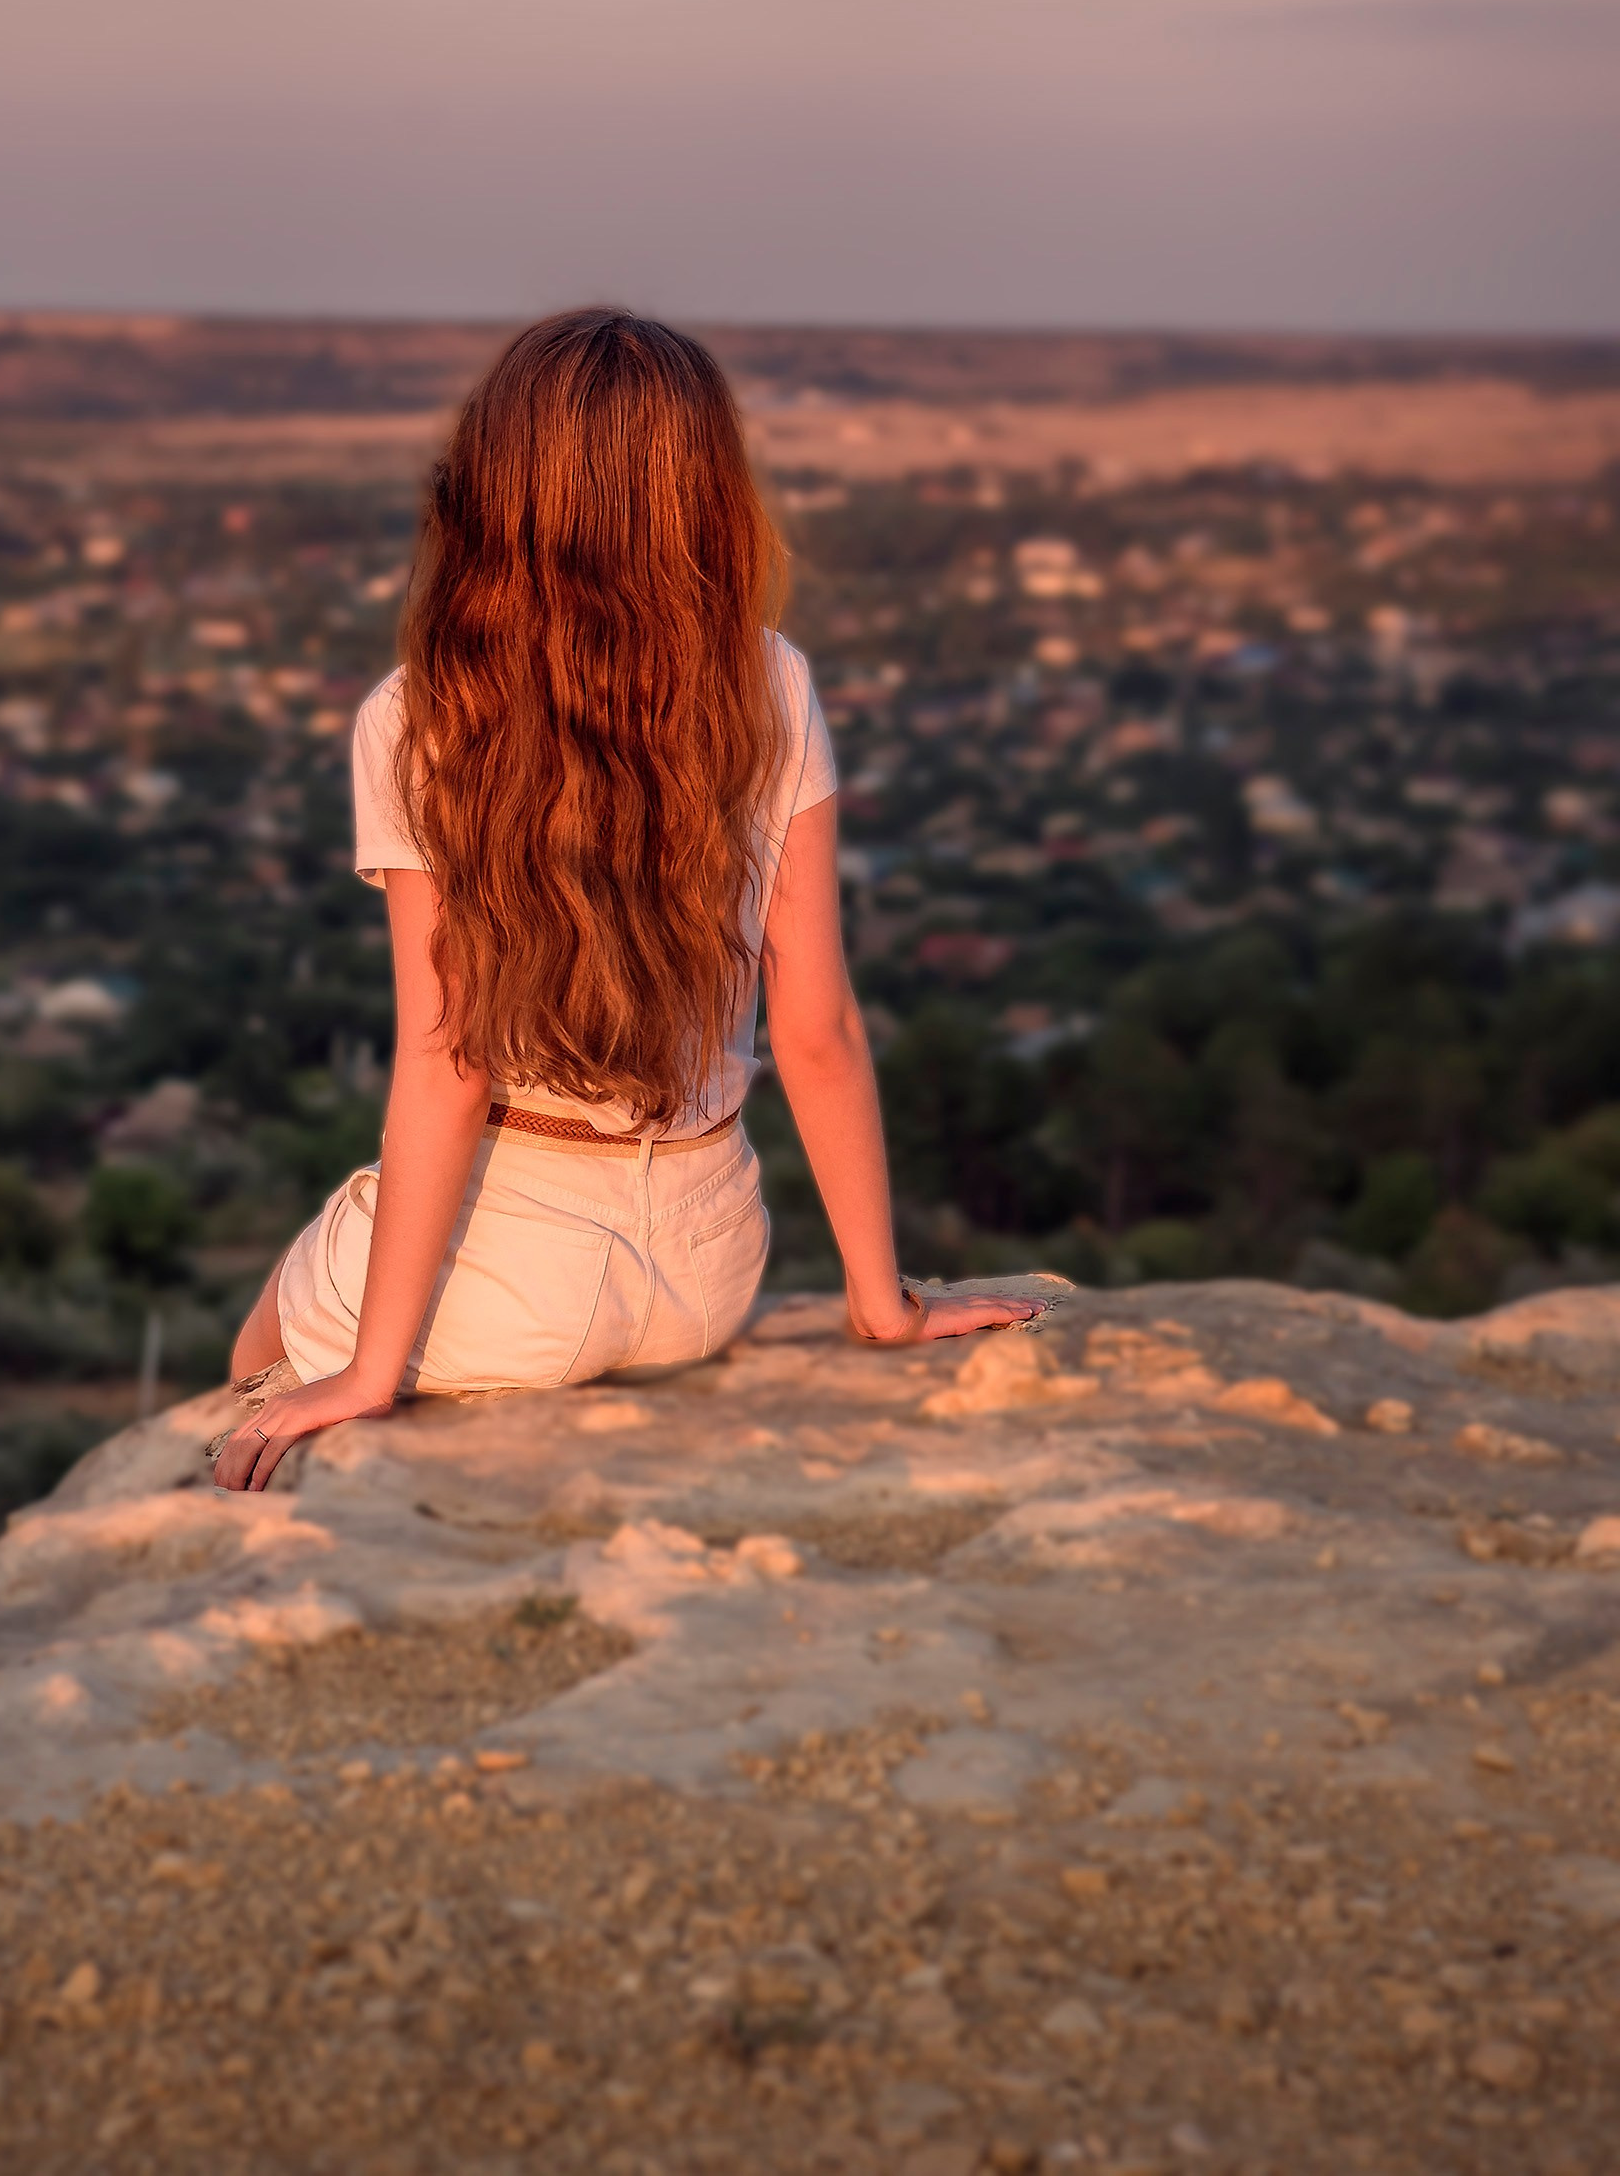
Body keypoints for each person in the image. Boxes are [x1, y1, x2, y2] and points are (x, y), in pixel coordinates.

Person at [213, 309, 1042, 1491]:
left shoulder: (420, 714)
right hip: (707, 1269)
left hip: (510, 1283)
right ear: (699, 490)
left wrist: (367, 1373)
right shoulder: (769, 677)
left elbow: (445, 1061)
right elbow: (816, 1029)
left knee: (258, 1341)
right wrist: (881, 1304)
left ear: (500, 486)